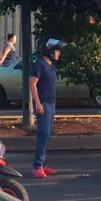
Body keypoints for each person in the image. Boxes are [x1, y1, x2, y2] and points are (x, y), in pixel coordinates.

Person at [29, 38, 67, 178]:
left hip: (51, 103)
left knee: (47, 134)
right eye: (57, 50)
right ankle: (37, 167)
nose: (59, 53)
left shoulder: (50, 65)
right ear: (50, 51)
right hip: (43, 104)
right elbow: (32, 84)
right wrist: (38, 104)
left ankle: (43, 164)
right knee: (43, 134)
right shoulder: (39, 64)